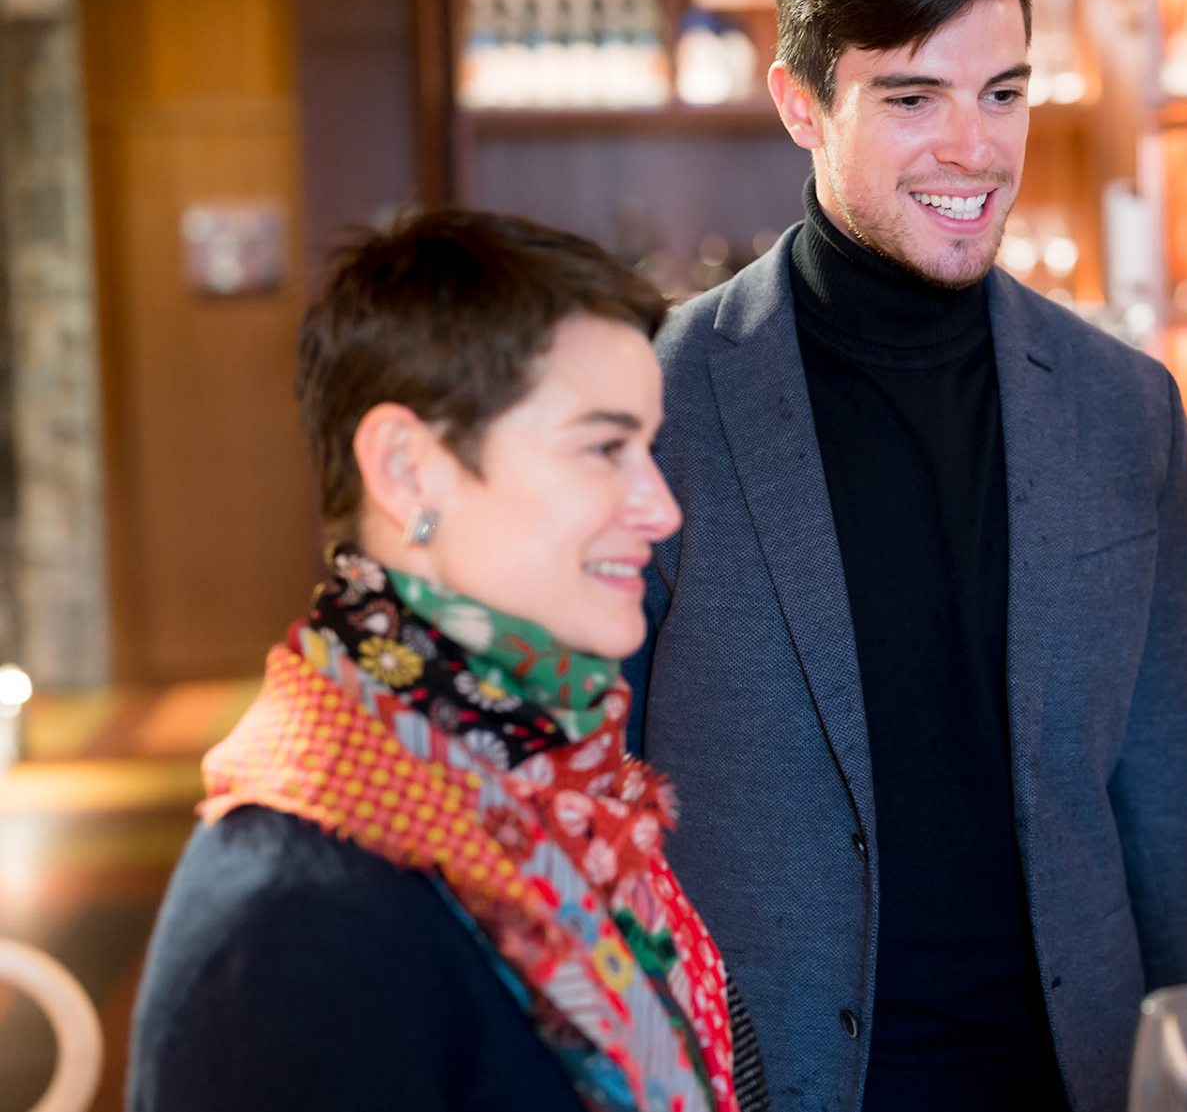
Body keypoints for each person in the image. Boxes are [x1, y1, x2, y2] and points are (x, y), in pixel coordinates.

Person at [621, 0, 1187, 1112]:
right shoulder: (660, 401)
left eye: (1003, 93)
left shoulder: (1125, 409)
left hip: (1071, 1080)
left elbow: (1178, 804)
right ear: (801, 105)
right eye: (913, 98)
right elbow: (593, 801)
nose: (975, 149)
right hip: (769, 1084)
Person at [128, 210, 769, 1112]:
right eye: (604, 448)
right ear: (406, 470)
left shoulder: (554, 786)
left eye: (649, 449)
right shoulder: (291, 925)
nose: (660, 508)